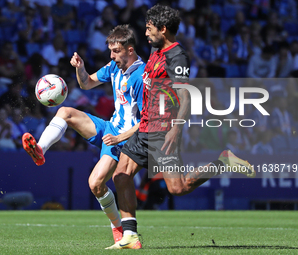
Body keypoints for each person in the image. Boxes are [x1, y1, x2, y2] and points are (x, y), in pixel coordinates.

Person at [106, 5, 256, 250]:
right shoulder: (156, 48)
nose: (145, 33)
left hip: (163, 130)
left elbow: (185, 96)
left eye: (149, 28)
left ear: (163, 29)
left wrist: (176, 128)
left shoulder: (177, 57)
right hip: (144, 127)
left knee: (179, 188)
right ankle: (130, 236)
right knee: (121, 175)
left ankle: (223, 161)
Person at [22, 25, 145, 243]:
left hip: (124, 138)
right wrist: (81, 68)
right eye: (110, 50)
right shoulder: (115, 67)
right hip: (110, 128)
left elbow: (148, 120)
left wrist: (120, 138)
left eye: (115, 51)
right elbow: (86, 83)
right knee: (65, 112)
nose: (111, 55)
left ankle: (119, 230)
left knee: (95, 184)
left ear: (130, 49)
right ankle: (40, 149)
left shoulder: (140, 77)